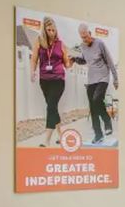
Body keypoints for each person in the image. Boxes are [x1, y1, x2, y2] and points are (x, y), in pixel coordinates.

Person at [30, 16, 72, 147]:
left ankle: (46, 140)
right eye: (49, 30)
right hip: (44, 80)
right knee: (52, 107)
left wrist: (71, 62)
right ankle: (61, 135)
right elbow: (34, 59)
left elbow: (67, 64)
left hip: (58, 80)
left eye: (53, 30)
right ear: (44, 30)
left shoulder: (61, 44)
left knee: (51, 107)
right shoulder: (39, 41)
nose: (52, 32)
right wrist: (33, 71)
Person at [76, 23, 118, 146]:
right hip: (91, 80)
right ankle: (98, 135)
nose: (84, 39)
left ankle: (107, 120)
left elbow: (109, 61)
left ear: (89, 33)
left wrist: (115, 79)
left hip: (103, 78)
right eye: (82, 37)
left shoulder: (99, 43)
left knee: (96, 99)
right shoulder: (82, 46)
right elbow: (85, 60)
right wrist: (75, 59)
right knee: (93, 108)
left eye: (86, 36)